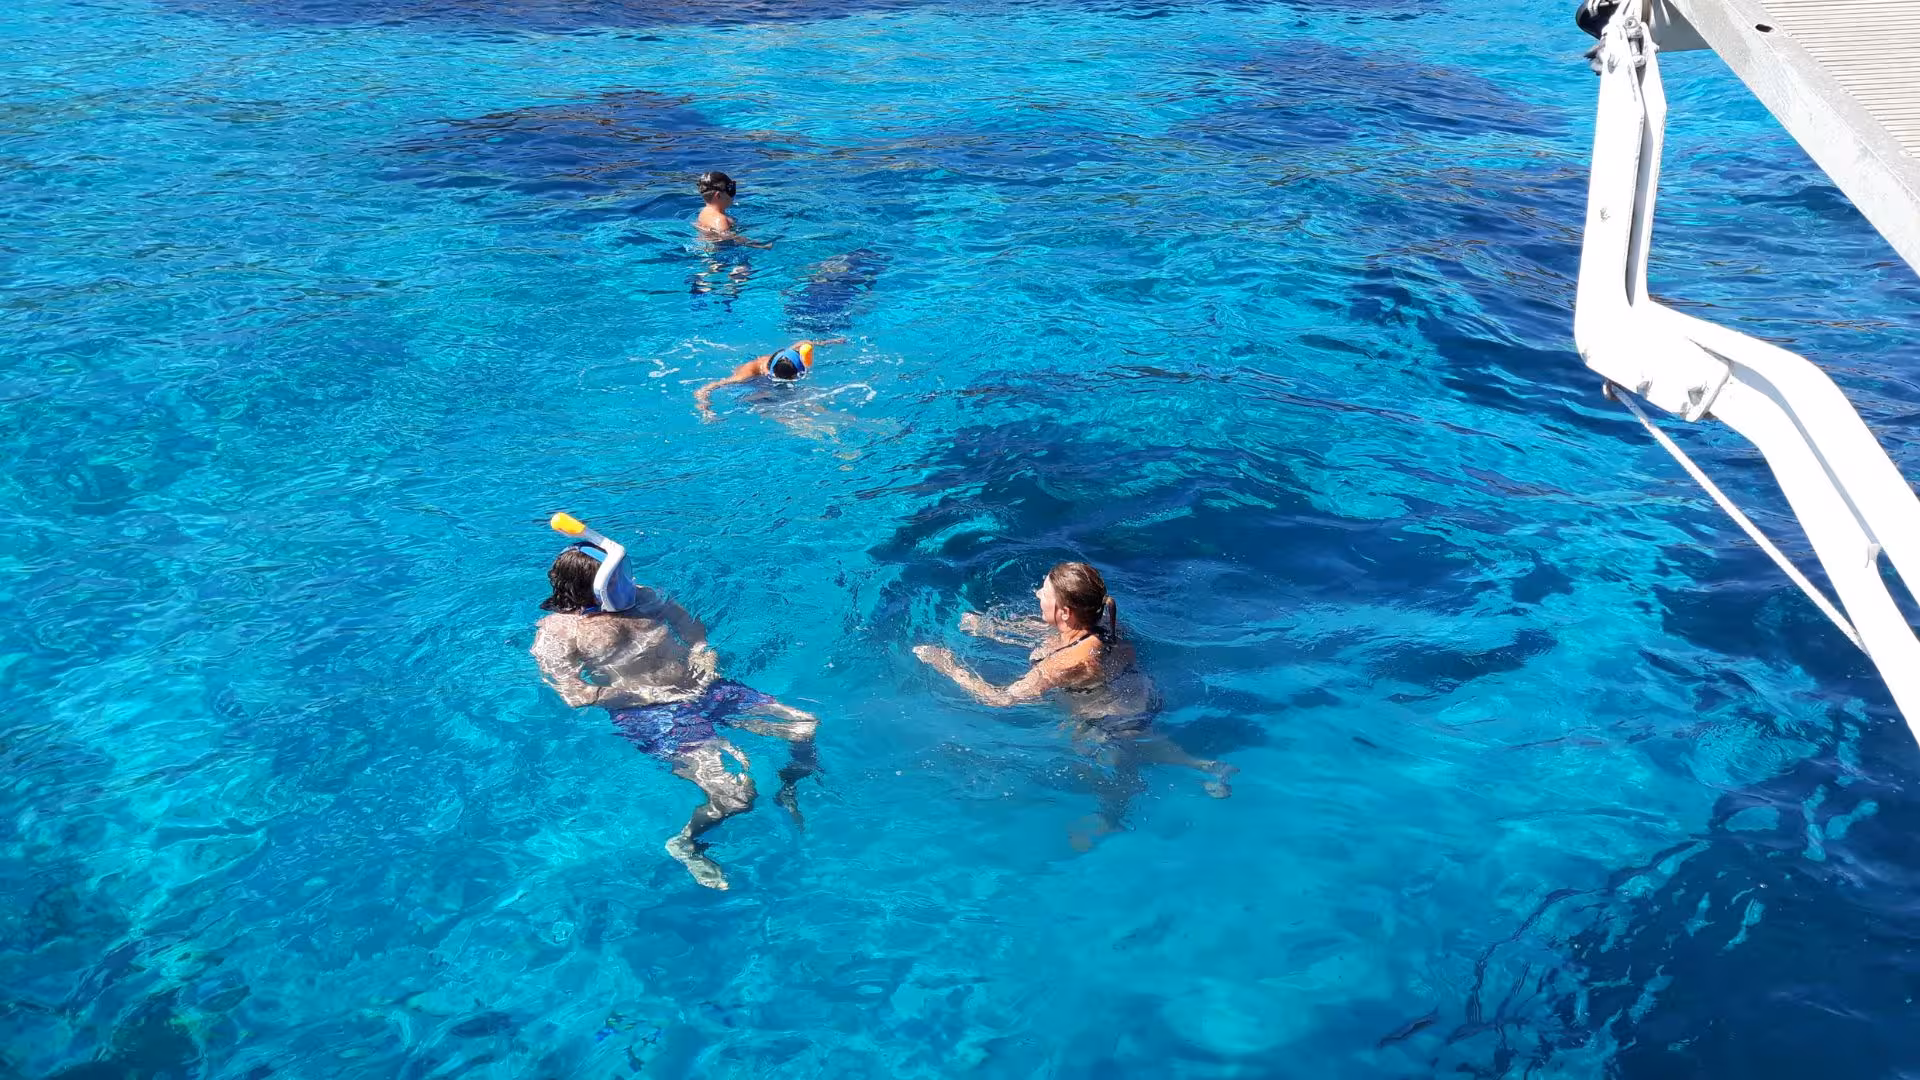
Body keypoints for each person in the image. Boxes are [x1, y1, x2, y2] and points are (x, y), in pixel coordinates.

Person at [530, 513, 818, 891]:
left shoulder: (644, 596)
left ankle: (788, 786)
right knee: (736, 798)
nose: (629, 583)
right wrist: (646, 693)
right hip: (652, 713)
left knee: (804, 726)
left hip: (702, 686)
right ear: (592, 588)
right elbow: (574, 696)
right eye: (618, 580)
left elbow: (692, 628)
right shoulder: (557, 633)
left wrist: (703, 652)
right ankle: (685, 844)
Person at [914, 561, 1235, 844]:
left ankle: (1115, 820)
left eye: (1044, 590)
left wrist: (947, 664)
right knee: (1138, 752)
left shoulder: (1065, 663)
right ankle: (1209, 768)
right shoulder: (1103, 627)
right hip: (1139, 698)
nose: (1037, 593)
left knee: (1115, 775)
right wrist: (989, 629)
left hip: (1110, 721)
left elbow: (1000, 699)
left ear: (1065, 611)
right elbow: (1052, 635)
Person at [693, 338, 846, 421]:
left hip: (771, 383)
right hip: (752, 388)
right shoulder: (746, 374)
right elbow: (706, 388)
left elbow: (803, 343)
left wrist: (827, 343)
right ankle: (807, 429)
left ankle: (833, 422)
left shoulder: (787, 357)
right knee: (777, 413)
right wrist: (706, 410)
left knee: (809, 400)